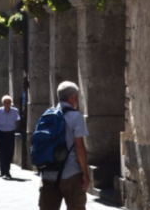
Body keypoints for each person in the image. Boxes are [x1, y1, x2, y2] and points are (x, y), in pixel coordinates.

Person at [39, 81, 90, 210]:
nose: (78, 99)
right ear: (72, 96)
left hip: (49, 173)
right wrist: (85, 173)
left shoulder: (47, 115)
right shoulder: (76, 116)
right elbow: (79, 148)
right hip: (71, 174)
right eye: (77, 96)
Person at [0, 95, 20, 179]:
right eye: (5, 102)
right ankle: (2, 171)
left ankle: (7, 169)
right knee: (1, 152)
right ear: (3, 103)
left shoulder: (15, 111)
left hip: (10, 132)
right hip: (1, 132)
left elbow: (18, 119)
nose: (7, 104)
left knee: (10, 152)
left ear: (10, 103)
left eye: (8, 102)